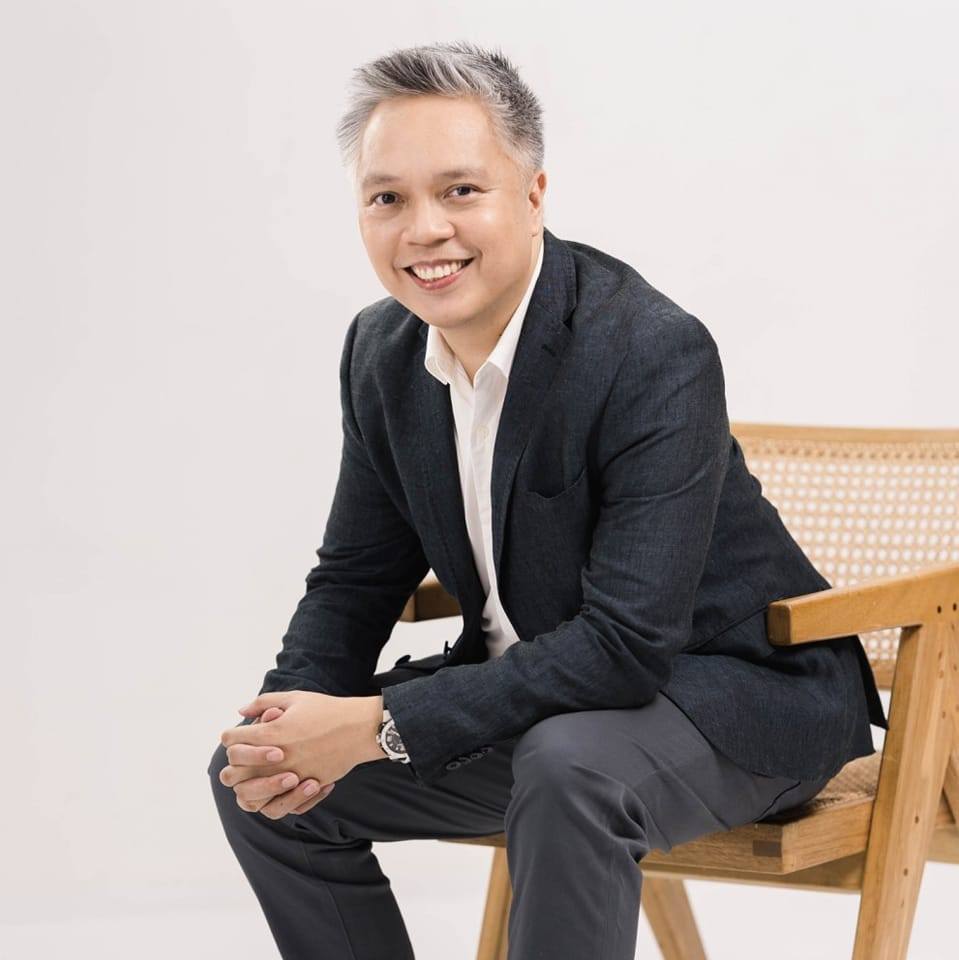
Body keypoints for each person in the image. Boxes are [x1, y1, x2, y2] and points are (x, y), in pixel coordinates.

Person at [208, 40, 887, 960]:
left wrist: (383, 724)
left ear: (532, 196)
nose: (424, 229)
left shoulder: (648, 348)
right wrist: (281, 727)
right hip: (536, 709)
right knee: (255, 785)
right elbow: (354, 579)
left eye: (459, 190)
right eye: (386, 198)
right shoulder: (381, 353)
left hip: (728, 700)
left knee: (569, 769)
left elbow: (627, 644)